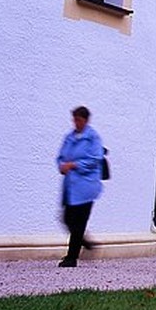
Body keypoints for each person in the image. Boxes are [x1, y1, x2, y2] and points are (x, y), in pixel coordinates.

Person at [56, 106, 104, 267]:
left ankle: (71, 257)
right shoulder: (69, 137)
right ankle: (85, 241)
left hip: (86, 188)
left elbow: (95, 159)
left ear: (85, 120)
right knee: (67, 219)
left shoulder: (93, 138)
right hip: (70, 188)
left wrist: (74, 165)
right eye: (74, 119)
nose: (76, 123)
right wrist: (62, 165)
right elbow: (61, 156)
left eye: (79, 119)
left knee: (78, 223)